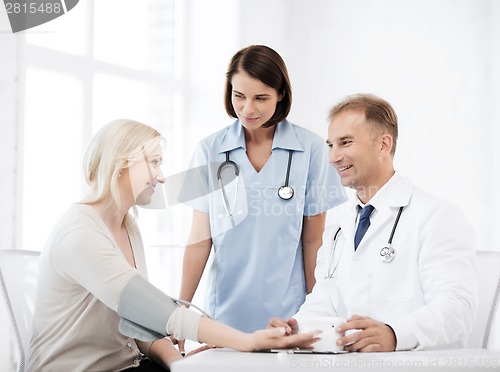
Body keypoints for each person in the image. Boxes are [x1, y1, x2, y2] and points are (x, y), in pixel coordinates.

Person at [26, 119, 320, 372]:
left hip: (130, 365)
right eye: (153, 162)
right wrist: (248, 340)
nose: (161, 177)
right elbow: (158, 312)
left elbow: (138, 324)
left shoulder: (128, 227)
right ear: (120, 164)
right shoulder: (80, 234)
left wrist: (180, 362)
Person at [268, 94, 478, 351]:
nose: (334, 157)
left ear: (383, 145)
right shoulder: (337, 229)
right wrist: (296, 328)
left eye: (345, 143)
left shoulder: (437, 216)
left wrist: (394, 334)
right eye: (330, 145)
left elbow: (458, 307)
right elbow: (324, 300)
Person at [178, 45, 346, 339]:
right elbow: (199, 239)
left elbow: (312, 241)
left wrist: (314, 314)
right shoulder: (209, 150)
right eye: (239, 96)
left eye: (261, 98)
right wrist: (179, 313)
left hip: (287, 318)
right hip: (224, 320)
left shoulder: (312, 150)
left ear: (281, 94)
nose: (248, 109)